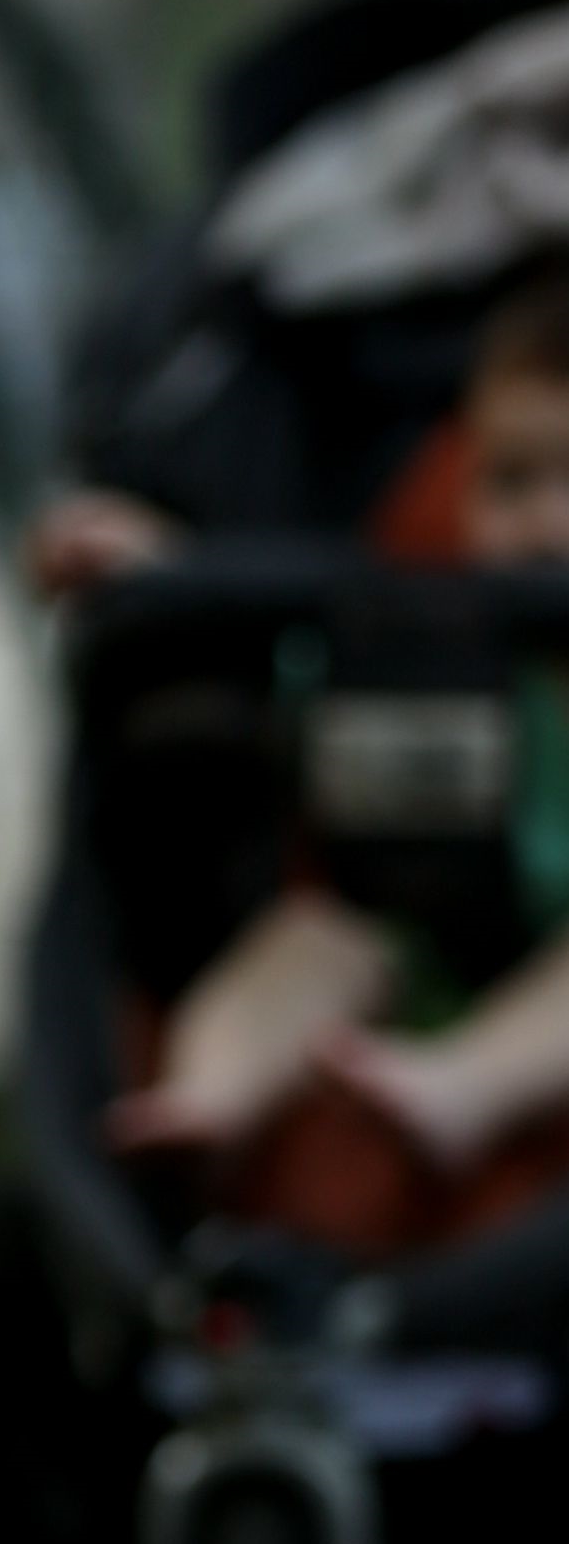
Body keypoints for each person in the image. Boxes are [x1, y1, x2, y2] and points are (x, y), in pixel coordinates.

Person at [106, 261, 569, 1191]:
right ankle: (207, 1102)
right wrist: (166, 573)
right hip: (431, 961)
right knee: (312, 937)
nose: (549, 522)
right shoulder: (434, 643)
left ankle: (458, 1092)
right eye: (511, 481)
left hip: (535, 1013)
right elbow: (292, 666)